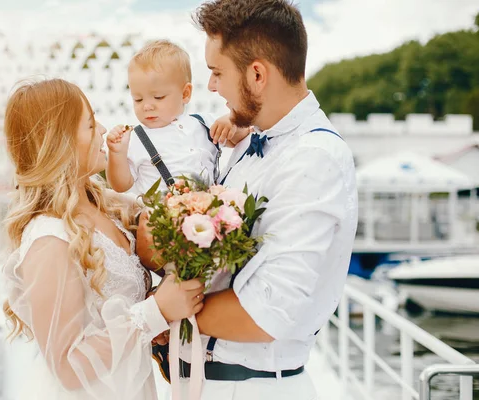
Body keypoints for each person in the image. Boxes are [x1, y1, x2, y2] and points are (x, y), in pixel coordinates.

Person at [137, 1, 358, 399]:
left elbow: (266, 314)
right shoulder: (246, 141)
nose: (211, 87)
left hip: (252, 389)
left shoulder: (314, 161)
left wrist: (162, 309)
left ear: (257, 74)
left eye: (217, 72)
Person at [1, 78, 205, 400]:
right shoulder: (48, 238)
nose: (103, 130)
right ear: (61, 142)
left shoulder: (106, 206)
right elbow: (67, 367)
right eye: (91, 124)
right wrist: (154, 312)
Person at [106, 39, 246, 196]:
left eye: (158, 97)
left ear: (185, 94)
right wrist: (117, 154)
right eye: (138, 99)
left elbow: (242, 137)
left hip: (208, 215)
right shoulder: (136, 139)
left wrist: (232, 121)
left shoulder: (204, 124)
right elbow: (121, 185)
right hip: (159, 218)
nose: (147, 106)